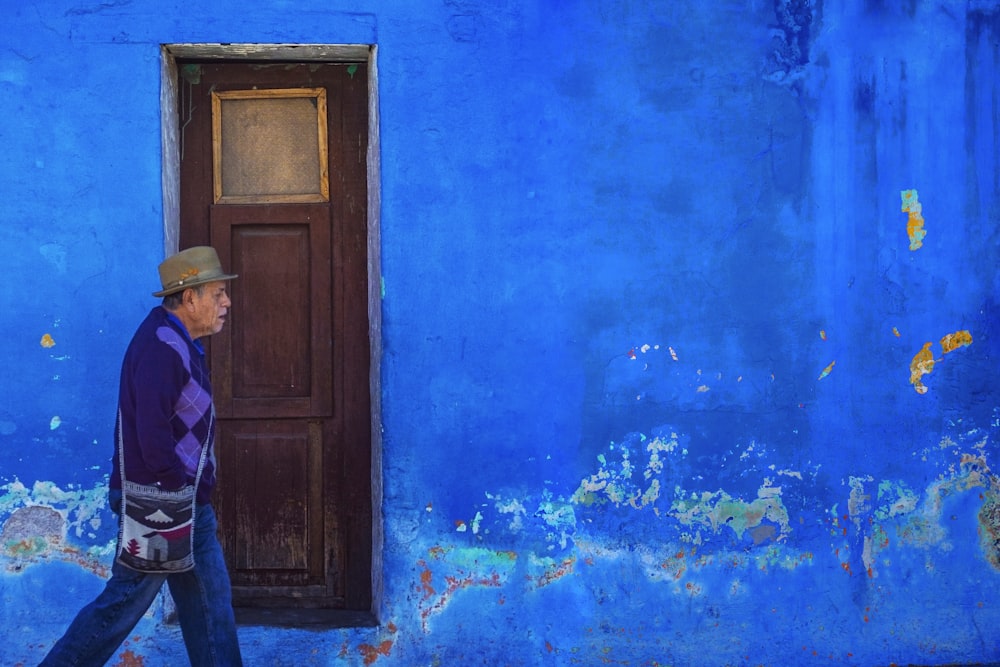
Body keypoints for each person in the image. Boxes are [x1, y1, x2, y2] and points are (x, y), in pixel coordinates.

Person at [40, 246, 244, 667]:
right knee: (122, 605)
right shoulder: (162, 347)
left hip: (182, 504)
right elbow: (152, 432)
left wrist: (187, 495)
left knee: (210, 608)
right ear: (190, 298)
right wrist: (175, 490)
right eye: (218, 294)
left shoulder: (173, 339)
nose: (227, 303)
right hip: (160, 503)